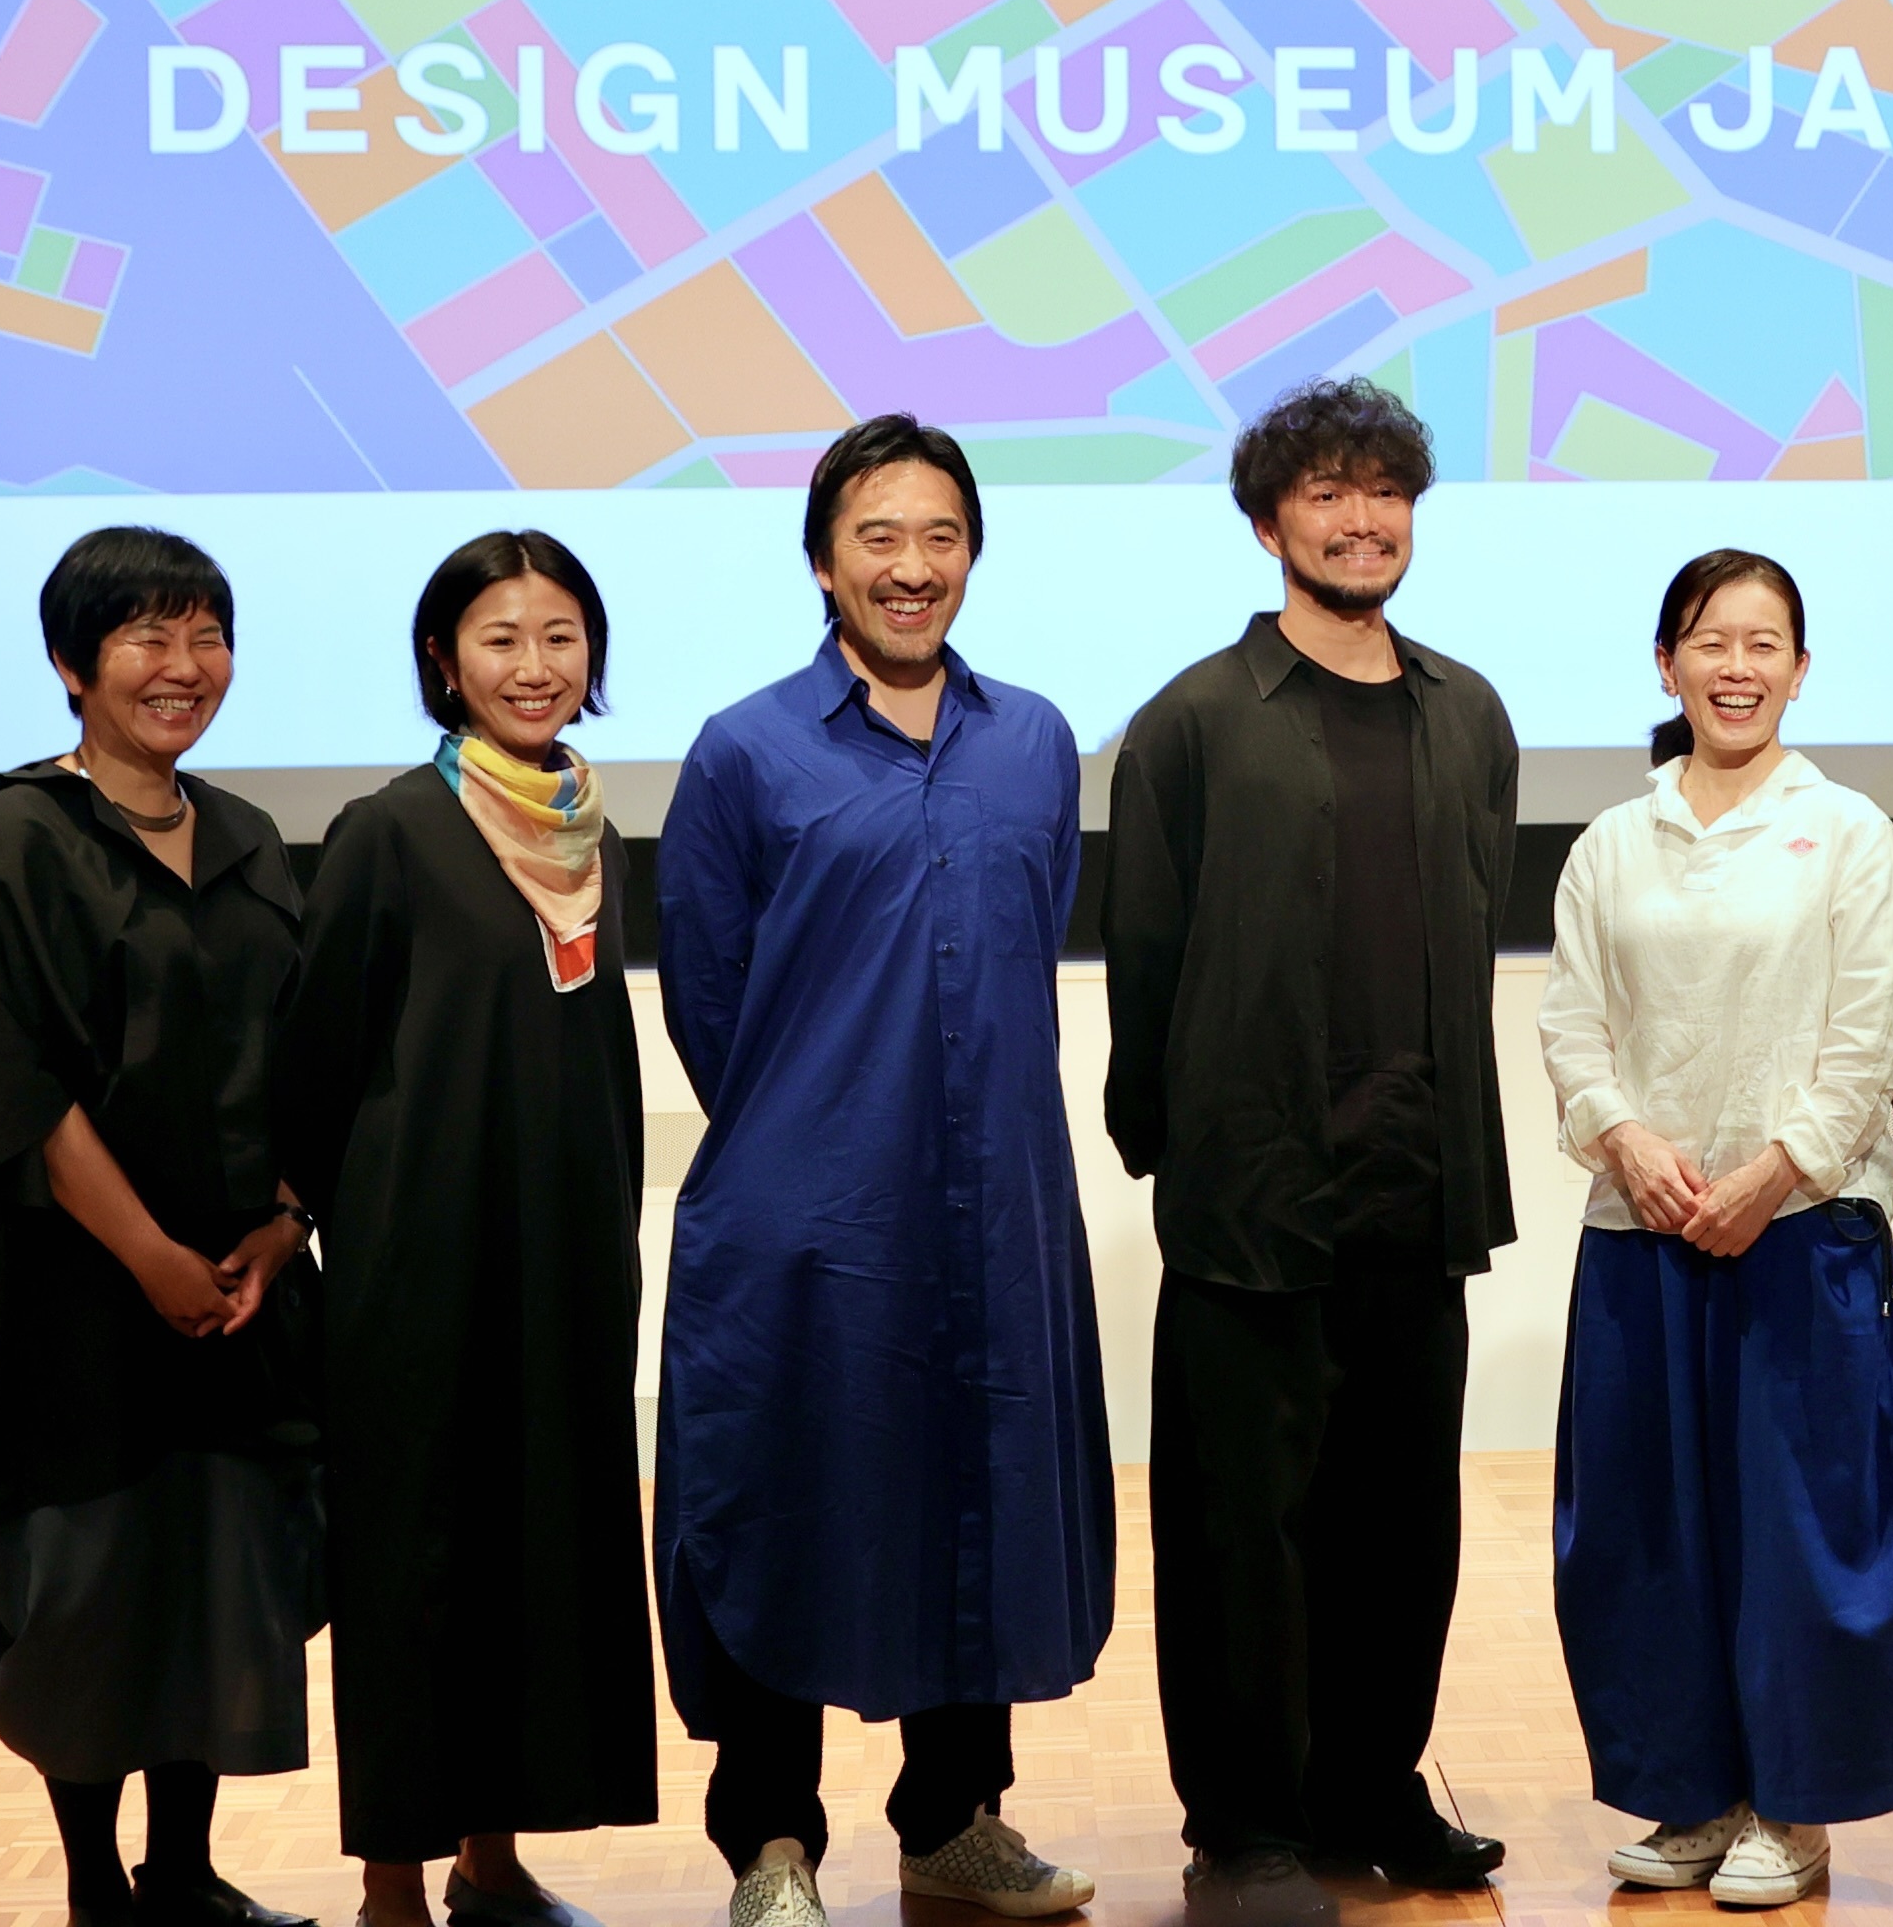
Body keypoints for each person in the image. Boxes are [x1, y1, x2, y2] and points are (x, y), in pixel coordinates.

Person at [657, 418, 1110, 1927]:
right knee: (784, 1501)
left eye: (940, 538)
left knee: (974, 1486)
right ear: (822, 560)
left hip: (996, 1203)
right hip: (810, 1214)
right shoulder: (745, 749)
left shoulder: (1034, 739)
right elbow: (710, 998)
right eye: (878, 537)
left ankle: (953, 1822)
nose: (912, 568)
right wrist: (819, 1133)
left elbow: (1033, 939)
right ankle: (773, 1847)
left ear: (971, 555)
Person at [0, 527, 322, 1927]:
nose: (184, 667)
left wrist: (285, 1220)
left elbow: (309, 1052)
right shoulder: (16, 840)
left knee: (217, 1573)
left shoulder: (249, 838)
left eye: (207, 636)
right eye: (145, 637)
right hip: (76, 1287)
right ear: (72, 663)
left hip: (239, 1283)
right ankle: (96, 1888)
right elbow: (12, 1074)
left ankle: (185, 1876)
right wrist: (150, 1256)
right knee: (92, 1592)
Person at [1102, 378, 1522, 1927]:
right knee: (1242, 1533)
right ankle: (1247, 1823)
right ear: (1269, 523)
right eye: (1328, 493)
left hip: (1419, 1186)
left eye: (1385, 492)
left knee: (1402, 1525)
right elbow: (1145, 952)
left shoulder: (1468, 713)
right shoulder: (1195, 721)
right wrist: (1175, 1147)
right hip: (1254, 1196)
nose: (1362, 521)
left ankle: (1372, 1787)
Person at [275, 531, 655, 1925]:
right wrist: (302, 1221)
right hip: (418, 1261)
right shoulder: (390, 830)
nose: (534, 665)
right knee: (417, 1564)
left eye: (560, 636)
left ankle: (493, 1863)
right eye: (500, 638)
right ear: (444, 660)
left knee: (533, 1551)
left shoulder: (591, 828)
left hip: (565, 1256)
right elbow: (319, 1054)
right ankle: (393, 1884)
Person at [1537, 551, 1893, 1908]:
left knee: (1804, 1537)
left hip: (1803, 1232)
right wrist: (1626, 1142)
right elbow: (1571, 1023)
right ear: (1669, 664)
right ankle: (1692, 1796)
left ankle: (1795, 1812)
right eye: (1711, 641)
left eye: (1765, 644)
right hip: (1639, 1227)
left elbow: (1869, 1032)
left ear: (1800, 670)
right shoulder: (1611, 843)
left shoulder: (1852, 833)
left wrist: (1775, 1171)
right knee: (1646, 1530)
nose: (1737, 667)